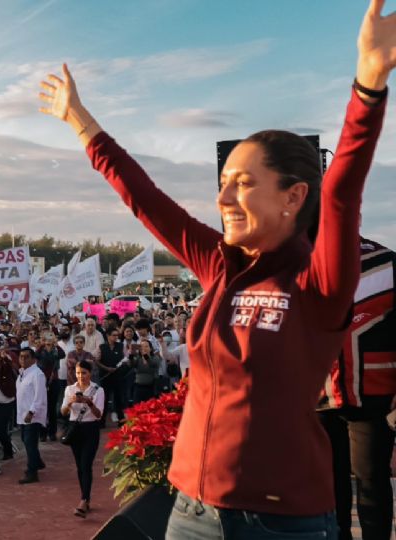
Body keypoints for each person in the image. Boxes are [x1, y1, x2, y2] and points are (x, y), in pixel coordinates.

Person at [38, 3, 393, 535]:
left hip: (282, 520)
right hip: (191, 511)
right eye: (224, 181)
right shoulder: (218, 263)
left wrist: (367, 85)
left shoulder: (318, 280)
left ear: (294, 196)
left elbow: (342, 189)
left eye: (244, 183)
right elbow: (146, 199)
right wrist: (81, 120)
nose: (224, 195)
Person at [318, 237, 396, 540]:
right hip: (317, 397)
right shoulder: (296, 264)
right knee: (328, 486)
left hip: (372, 396)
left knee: (372, 481)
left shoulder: (387, 262)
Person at [61, 360, 104, 518]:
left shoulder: (98, 390)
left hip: (91, 429)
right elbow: (63, 412)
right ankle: (86, 498)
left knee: (86, 464)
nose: (81, 376)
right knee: (80, 466)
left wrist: (89, 403)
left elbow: (99, 415)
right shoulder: (69, 389)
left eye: (84, 373)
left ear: (90, 373)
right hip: (75, 428)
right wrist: (71, 402)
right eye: (78, 373)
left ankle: (84, 500)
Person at [15, 348, 46, 484]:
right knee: (26, 440)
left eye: (26, 357)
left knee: (30, 443)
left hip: (32, 415)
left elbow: (40, 396)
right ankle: (37, 461)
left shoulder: (37, 374)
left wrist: (31, 412)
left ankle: (32, 472)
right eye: (21, 357)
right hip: (22, 414)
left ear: (33, 359)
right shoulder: (22, 373)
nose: (23, 359)